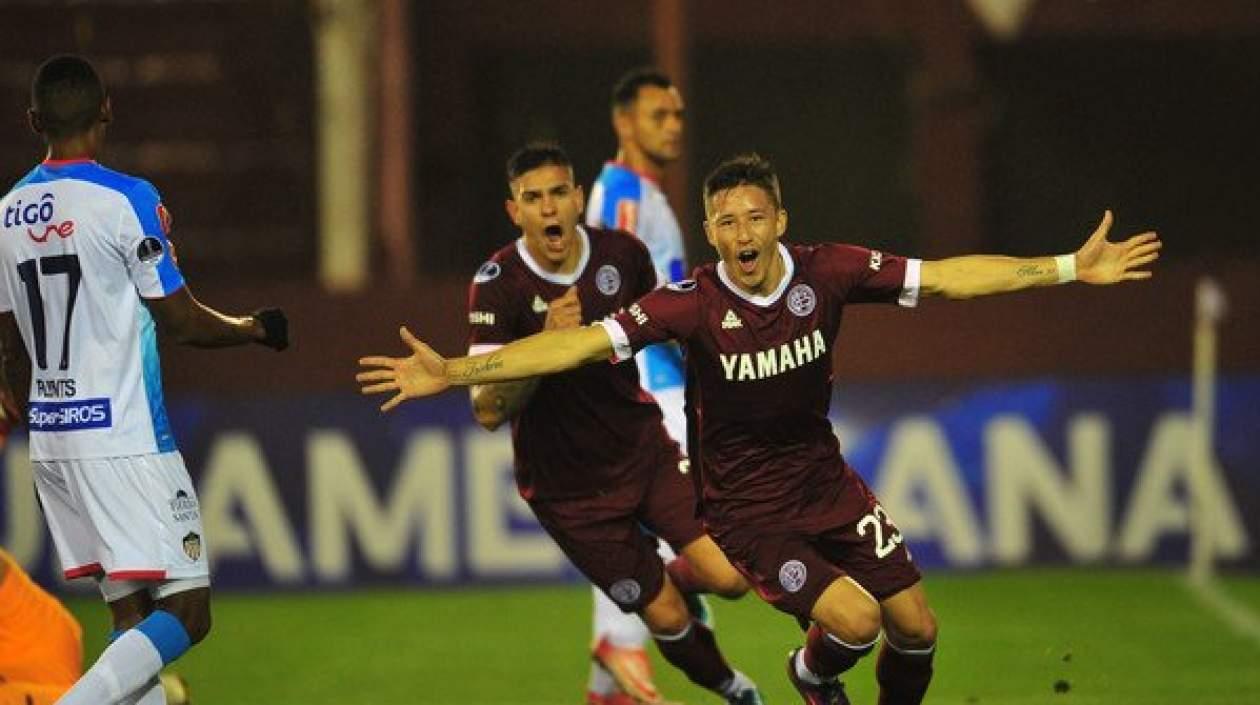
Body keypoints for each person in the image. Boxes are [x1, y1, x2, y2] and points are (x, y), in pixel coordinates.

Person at [359, 153, 1161, 704]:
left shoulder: (831, 271)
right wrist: (457, 370)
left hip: (828, 484)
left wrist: (1067, 266)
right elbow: (575, 342)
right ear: (711, 233)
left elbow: (946, 279)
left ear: (780, 218)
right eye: (725, 221)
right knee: (854, 619)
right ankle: (811, 677)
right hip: (747, 511)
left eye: (754, 216)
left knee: (917, 628)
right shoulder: (691, 304)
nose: (741, 234)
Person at [0, 55, 288, 705]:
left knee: (132, 623)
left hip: (54, 442)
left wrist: (8, 382)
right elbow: (180, 319)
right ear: (107, 109)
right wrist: (252, 327)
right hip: (123, 435)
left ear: (33, 120)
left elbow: (2, 330)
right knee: (187, 611)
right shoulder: (129, 199)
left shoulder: (8, 211)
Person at [461, 142, 761, 705]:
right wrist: (547, 345)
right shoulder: (496, 285)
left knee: (732, 577)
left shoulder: (622, 255)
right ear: (514, 211)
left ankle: (665, 582)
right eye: (533, 198)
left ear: (578, 199)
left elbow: (668, 334)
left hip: (644, 450)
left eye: (557, 194)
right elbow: (487, 409)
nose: (548, 209)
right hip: (569, 493)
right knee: (667, 615)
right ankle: (736, 689)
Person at [582, 68, 695, 705]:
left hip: (665, 382)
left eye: (677, 115)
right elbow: (613, 300)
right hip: (652, 387)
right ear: (624, 122)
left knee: (648, 529)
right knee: (704, 534)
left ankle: (611, 681)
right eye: (659, 115)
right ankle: (621, 625)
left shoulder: (645, 194)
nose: (673, 125)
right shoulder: (623, 197)